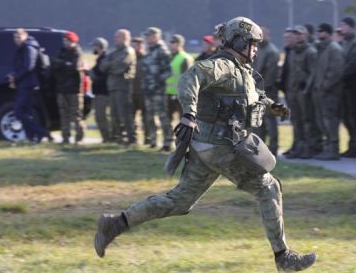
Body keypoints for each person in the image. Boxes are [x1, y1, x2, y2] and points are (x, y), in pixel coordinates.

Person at [94, 16, 316, 271]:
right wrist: (188, 113)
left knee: (178, 201)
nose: (256, 50)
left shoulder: (240, 69)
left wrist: (271, 106)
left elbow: (248, 97)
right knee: (269, 188)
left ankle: (115, 224)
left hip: (206, 147)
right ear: (238, 41)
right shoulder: (221, 65)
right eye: (252, 44)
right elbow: (191, 77)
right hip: (221, 147)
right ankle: (283, 257)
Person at [309, 23, 344, 160]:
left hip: (330, 92)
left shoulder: (334, 49)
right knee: (322, 120)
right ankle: (327, 147)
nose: (319, 34)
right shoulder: (320, 49)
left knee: (330, 120)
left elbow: (335, 72)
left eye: (322, 31)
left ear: (328, 33)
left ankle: (333, 149)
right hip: (319, 90)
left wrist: (325, 86)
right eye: (318, 31)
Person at [284, 25, 318, 159]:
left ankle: (309, 147)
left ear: (306, 35)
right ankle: (299, 146)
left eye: (300, 34)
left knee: (307, 120)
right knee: (296, 120)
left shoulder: (310, 52)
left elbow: (313, 73)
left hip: (303, 92)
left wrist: (307, 88)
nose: (297, 36)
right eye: (295, 34)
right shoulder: (292, 52)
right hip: (292, 90)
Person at [8, 28, 47, 143]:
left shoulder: (29, 48)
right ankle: (33, 138)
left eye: (19, 37)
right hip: (23, 84)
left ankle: (41, 132)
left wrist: (15, 78)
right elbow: (21, 67)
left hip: (28, 84)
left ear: (25, 36)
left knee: (18, 111)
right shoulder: (22, 49)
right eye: (15, 37)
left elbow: (28, 67)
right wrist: (12, 76)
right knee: (27, 112)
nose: (17, 40)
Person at [101, 29, 136, 145]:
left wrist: (110, 66)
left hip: (123, 86)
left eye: (118, 36)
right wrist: (112, 65)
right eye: (115, 36)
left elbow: (120, 67)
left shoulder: (128, 51)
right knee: (114, 114)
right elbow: (102, 66)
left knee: (124, 114)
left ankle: (131, 138)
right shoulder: (115, 52)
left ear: (125, 38)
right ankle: (119, 138)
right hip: (113, 86)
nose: (115, 38)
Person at [338, 16, 356, 157]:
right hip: (344, 85)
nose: (341, 29)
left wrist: (339, 76)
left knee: (355, 116)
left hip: (353, 85)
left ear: (351, 27)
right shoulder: (345, 43)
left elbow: (352, 64)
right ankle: (353, 145)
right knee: (347, 117)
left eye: (344, 26)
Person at [52, 31, 86, 144]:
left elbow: (74, 67)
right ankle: (65, 137)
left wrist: (63, 65)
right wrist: (65, 64)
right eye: (64, 40)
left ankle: (79, 137)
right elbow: (54, 64)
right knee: (63, 114)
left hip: (74, 89)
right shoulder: (61, 52)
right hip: (61, 88)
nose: (65, 43)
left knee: (76, 114)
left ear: (73, 42)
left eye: (67, 41)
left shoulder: (77, 53)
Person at [252, 26, 280, 155]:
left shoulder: (271, 51)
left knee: (270, 119)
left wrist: (260, 90)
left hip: (267, 91)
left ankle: (273, 147)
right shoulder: (257, 50)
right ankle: (261, 146)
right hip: (256, 90)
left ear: (267, 35)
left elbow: (271, 75)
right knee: (258, 120)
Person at [142, 27, 172, 149]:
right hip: (148, 89)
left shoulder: (162, 51)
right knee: (149, 116)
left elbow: (168, 71)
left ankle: (167, 142)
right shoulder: (149, 50)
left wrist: (157, 82)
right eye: (147, 36)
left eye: (150, 35)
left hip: (158, 90)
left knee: (162, 116)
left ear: (157, 36)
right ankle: (153, 141)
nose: (147, 38)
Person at [164, 34, 194, 151]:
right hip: (169, 92)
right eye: (170, 42)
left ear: (180, 44)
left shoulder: (185, 58)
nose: (171, 44)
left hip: (181, 95)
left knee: (184, 121)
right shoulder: (170, 57)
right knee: (168, 119)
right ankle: (167, 142)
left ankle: (185, 144)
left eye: (173, 42)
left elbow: (186, 78)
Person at [89, 37, 112, 143]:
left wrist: (88, 72)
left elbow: (99, 75)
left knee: (100, 116)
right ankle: (106, 137)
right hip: (100, 92)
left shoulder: (104, 60)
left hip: (103, 92)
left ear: (99, 47)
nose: (93, 48)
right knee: (100, 116)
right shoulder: (101, 59)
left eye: (94, 46)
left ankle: (107, 138)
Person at [131, 36, 149, 144]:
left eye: (135, 46)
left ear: (141, 46)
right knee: (131, 117)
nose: (132, 48)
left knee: (146, 117)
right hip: (132, 92)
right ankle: (133, 138)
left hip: (144, 93)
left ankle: (148, 138)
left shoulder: (147, 59)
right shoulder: (130, 58)